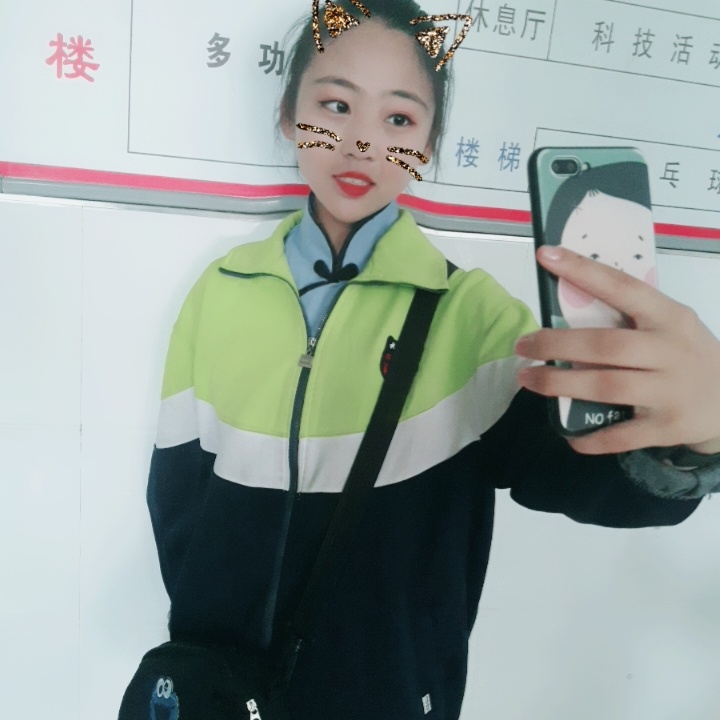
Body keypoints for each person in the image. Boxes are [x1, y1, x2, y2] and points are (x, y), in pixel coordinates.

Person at [145, 2, 720, 718]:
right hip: (225, 694)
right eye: (335, 105)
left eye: (399, 119)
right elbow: (176, 497)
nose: (362, 143)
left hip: (387, 697)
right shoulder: (222, 290)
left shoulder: (471, 314)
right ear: (290, 115)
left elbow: (590, 479)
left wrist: (696, 440)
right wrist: (205, 641)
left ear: (428, 141)